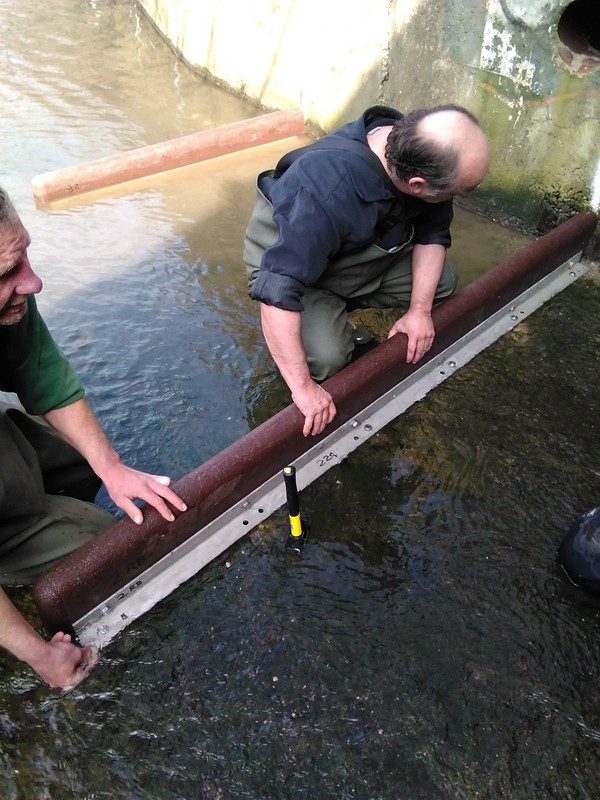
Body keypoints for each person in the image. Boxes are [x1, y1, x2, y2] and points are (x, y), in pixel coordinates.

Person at [0, 186, 187, 690]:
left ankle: (45, 513)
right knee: (99, 548)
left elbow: (46, 378)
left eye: (24, 258)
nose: (33, 282)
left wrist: (112, 468)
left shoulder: (8, 305)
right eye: (5, 275)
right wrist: (40, 655)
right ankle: (26, 549)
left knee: (81, 458)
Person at [244, 104, 490, 438]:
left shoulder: (421, 150)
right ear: (418, 185)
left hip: (357, 250)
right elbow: (277, 293)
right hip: (287, 264)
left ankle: (337, 310)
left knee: (442, 283)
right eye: (455, 193)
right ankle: (317, 329)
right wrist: (303, 390)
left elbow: (433, 234)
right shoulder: (324, 189)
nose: (454, 199)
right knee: (329, 357)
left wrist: (419, 311)